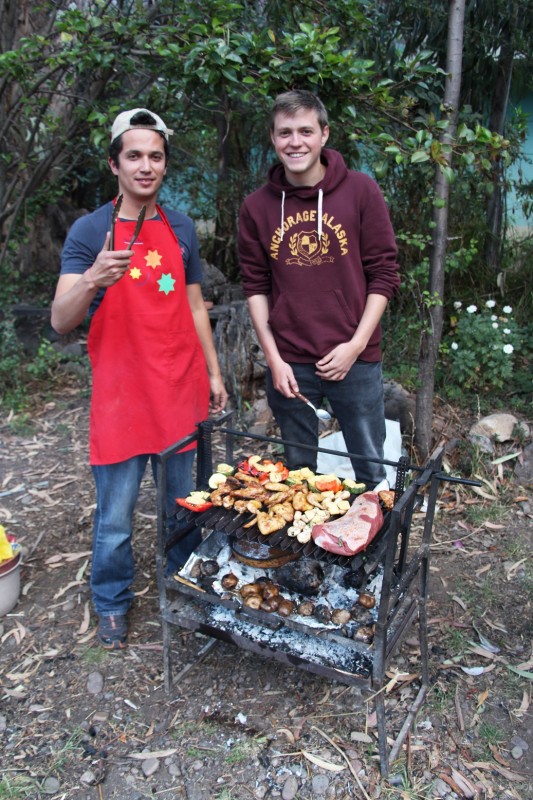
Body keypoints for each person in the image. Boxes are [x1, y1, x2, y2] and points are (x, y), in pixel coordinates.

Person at [51, 108, 228, 649]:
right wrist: (93, 278)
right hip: (122, 396)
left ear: (164, 165)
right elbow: (61, 319)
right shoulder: (89, 231)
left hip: (179, 386)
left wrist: (215, 373)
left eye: (155, 156)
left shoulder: (179, 228)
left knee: (183, 506)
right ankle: (110, 602)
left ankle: (184, 589)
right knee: (115, 519)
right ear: (115, 164)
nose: (145, 166)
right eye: (134, 156)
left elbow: (196, 306)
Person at [238, 90, 400, 488]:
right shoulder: (257, 207)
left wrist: (356, 346)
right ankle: (306, 549)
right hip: (290, 362)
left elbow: (384, 274)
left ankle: (372, 544)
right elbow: (255, 287)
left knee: (370, 471)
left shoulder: (361, 191)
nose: (296, 142)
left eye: (305, 131)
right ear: (273, 139)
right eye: (285, 132)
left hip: (355, 358)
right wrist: (274, 360)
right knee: (298, 477)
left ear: (324, 134)